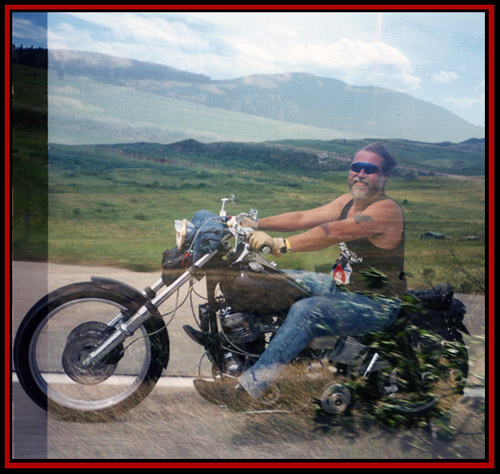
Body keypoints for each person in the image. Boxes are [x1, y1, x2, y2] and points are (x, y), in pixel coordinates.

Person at [194, 142, 406, 409]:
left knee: (306, 312)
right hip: (340, 286)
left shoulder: (386, 210)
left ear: (385, 176)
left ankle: (251, 388)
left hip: (376, 303)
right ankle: (246, 355)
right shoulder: (348, 202)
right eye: (356, 167)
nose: (360, 174)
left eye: (370, 169)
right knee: (271, 280)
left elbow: (336, 231)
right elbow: (305, 217)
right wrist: (255, 224)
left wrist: (283, 244)